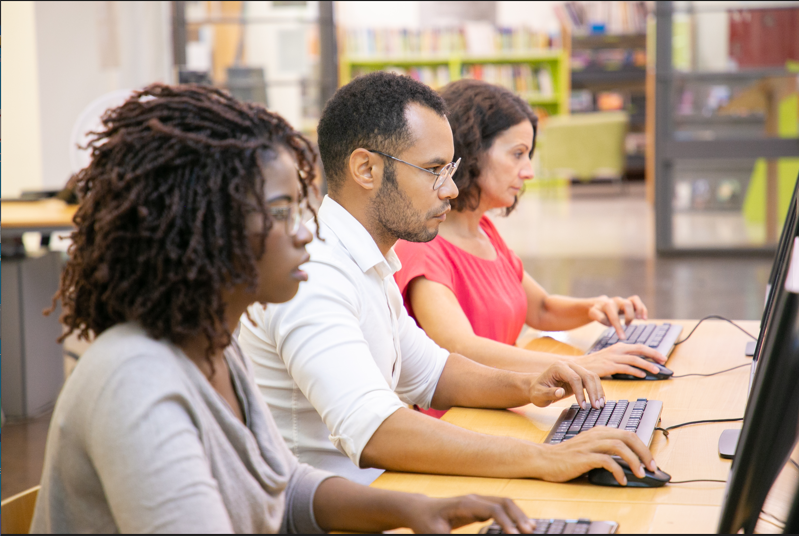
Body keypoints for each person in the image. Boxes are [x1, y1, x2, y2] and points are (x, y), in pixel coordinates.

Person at [31, 83, 535, 534]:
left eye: (300, 206)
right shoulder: (136, 383)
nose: (303, 231)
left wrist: (411, 511)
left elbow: (284, 490)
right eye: (280, 212)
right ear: (206, 226)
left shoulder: (214, 350)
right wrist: (540, 457)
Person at [239, 72, 657, 487]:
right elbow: (374, 432)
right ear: (365, 169)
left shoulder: (368, 259)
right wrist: (544, 458)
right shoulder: (315, 276)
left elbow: (433, 374)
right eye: (433, 169)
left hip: (382, 495)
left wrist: (530, 384)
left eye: (450, 168)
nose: (452, 190)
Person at [394, 80, 666, 419]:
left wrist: (597, 306)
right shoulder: (423, 246)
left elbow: (542, 309)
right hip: (462, 422)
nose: (529, 172)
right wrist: (583, 363)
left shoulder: (484, 231)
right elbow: (461, 348)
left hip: (506, 406)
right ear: (473, 151)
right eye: (517, 154)